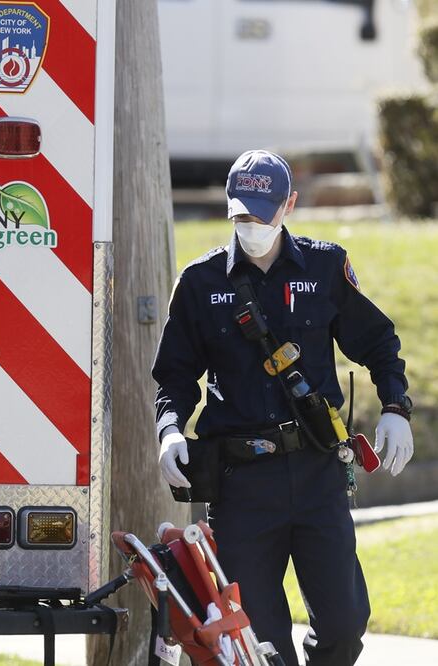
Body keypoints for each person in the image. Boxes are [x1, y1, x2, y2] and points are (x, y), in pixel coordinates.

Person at [151, 149, 414, 665]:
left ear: (288, 203)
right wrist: (169, 429)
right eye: (240, 213)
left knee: (344, 626)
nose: (249, 224)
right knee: (261, 644)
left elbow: (380, 342)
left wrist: (395, 407)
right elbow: (175, 376)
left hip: (318, 472)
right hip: (242, 484)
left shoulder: (325, 266)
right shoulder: (200, 282)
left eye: (261, 212)